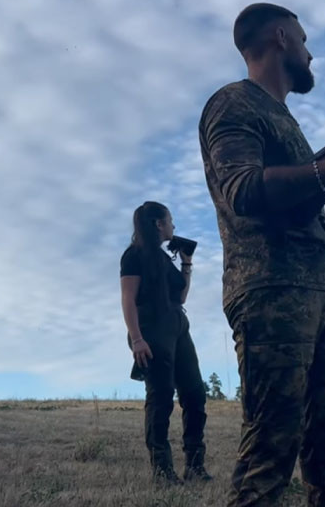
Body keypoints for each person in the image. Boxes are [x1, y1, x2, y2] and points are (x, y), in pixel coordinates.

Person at [198, 3, 325, 506]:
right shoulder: (233, 104)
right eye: (306, 41)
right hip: (270, 290)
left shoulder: (283, 118)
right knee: (271, 447)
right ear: (282, 37)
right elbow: (241, 190)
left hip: (322, 289)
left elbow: (301, 197)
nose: (312, 54)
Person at [119, 201, 212, 485]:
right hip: (151, 327)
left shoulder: (164, 258)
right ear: (158, 224)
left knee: (195, 394)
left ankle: (194, 468)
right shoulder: (133, 255)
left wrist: (186, 262)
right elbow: (128, 299)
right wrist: (137, 339)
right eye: (170, 220)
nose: (174, 226)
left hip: (177, 326)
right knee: (161, 399)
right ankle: (162, 472)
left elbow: (181, 297)